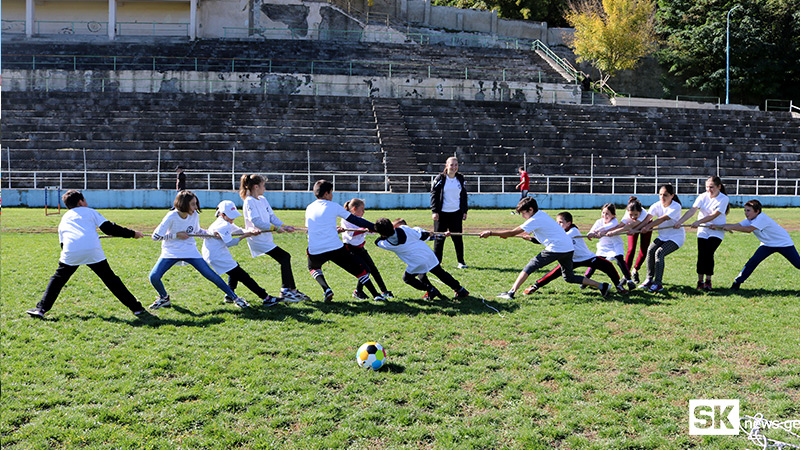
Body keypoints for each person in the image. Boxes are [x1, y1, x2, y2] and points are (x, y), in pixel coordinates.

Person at [25, 190, 150, 319]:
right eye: (85, 200)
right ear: (81, 202)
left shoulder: (64, 218)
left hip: (71, 251)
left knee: (57, 280)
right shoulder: (91, 211)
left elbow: (62, 244)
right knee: (111, 280)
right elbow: (109, 228)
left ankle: (41, 309)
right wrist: (132, 233)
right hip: (92, 250)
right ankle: (137, 309)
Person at [479, 197, 611, 299]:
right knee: (569, 277)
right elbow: (547, 235)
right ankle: (602, 286)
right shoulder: (541, 214)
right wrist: (530, 238)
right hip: (567, 249)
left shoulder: (534, 219)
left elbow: (513, 232)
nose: (523, 216)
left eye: (523, 213)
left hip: (557, 248)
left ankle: (511, 292)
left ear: (530, 210)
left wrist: (491, 233)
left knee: (529, 267)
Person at [148, 190, 250, 309]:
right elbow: (155, 237)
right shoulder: (171, 216)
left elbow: (196, 231)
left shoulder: (194, 215)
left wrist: (211, 234)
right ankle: (164, 298)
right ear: (183, 204)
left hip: (190, 251)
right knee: (154, 277)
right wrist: (176, 235)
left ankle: (235, 298)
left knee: (211, 275)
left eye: (196, 204)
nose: (196, 207)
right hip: (171, 252)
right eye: (193, 204)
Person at [305, 179, 383, 303]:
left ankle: (326, 289)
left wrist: (332, 229)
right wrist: (375, 227)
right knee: (359, 270)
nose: (332, 195)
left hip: (315, 249)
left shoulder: (309, 207)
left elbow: (312, 228)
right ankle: (376, 295)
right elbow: (355, 220)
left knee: (313, 267)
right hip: (334, 247)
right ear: (326, 194)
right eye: (331, 192)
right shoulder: (333, 205)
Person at [240, 174, 308, 302]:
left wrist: (284, 225)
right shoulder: (249, 201)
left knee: (285, 257)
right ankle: (286, 290)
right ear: (256, 186)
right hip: (258, 239)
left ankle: (291, 290)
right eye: (263, 185)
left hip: (266, 238)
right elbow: (256, 222)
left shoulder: (263, 199)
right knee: (284, 257)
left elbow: (272, 217)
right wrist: (276, 229)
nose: (264, 188)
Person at [202, 200, 283, 306]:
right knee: (243, 277)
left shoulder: (224, 222)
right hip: (217, 256)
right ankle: (265, 297)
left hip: (215, 253)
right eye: (231, 216)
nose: (233, 218)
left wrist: (250, 231)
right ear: (222, 214)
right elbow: (230, 243)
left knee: (235, 269)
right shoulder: (223, 225)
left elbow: (238, 230)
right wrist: (245, 236)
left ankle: (229, 295)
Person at [523, 211, 623, 295]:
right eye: (557, 222)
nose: (558, 225)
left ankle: (618, 286)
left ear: (569, 223)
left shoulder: (573, 230)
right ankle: (535, 286)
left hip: (586, 257)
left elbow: (558, 238)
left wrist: (533, 238)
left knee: (608, 265)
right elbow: (548, 240)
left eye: (561, 222)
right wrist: (532, 239)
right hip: (571, 259)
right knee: (554, 273)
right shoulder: (559, 232)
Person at [711, 199, 800, 290]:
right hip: (767, 244)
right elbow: (738, 225)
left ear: (757, 211)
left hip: (783, 243)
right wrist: (718, 227)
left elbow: (748, 229)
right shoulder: (749, 219)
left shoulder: (762, 217)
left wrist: (731, 227)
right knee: (752, 262)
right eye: (745, 210)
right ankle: (737, 283)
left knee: (798, 264)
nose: (746, 213)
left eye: (748, 210)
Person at [374, 218, 469, 299]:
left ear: (382, 234)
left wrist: (374, 231)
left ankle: (430, 289)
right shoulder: (405, 228)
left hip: (417, 263)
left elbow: (377, 241)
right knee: (440, 273)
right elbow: (422, 235)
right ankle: (460, 290)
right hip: (428, 254)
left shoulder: (387, 244)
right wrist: (438, 235)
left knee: (407, 279)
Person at [674, 176, 730, 290]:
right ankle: (700, 281)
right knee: (701, 254)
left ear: (719, 187)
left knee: (709, 252)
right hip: (703, 229)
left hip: (717, 229)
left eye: (712, 187)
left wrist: (699, 221)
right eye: (707, 187)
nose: (709, 190)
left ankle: (708, 280)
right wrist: (680, 222)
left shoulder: (723, 199)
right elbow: (692, 210)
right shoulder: (702, 196)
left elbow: (714, 215)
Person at [633, 184, 685, 293]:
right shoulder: (656, 205)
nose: (662, 197)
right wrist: (635, 229)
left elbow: (663, 219)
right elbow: (647, 219)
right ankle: (649, 280)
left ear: (672, 196)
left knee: (659, 253)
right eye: (660, 194)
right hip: (662, 236)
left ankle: (658, 284)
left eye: (665, 195)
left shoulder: (676, 206)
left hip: (676, 237)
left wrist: (648, 227)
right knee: (650, 250)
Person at [341, 198, 392, 300]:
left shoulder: (361, 220)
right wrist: (363, 229)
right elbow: (352, 233)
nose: (364, 212)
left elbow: (369, 230)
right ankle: (358, 292)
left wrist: (376, 230)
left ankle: (384, 291)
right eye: (362, 209)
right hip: (351, 249)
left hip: (360, 248)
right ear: (354, 209)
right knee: (365, 270)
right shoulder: (345, 220)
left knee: (373, 269)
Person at [584, 203, 635, 291]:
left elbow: (606, 227)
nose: (604, 215)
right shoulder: (598, 221)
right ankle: (585, 279)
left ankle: (629, 280)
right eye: (603, 213)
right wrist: (590, 233)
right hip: (603, 246)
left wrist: (597, 231)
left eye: (607, 214)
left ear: (613, 215)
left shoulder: (614, 221)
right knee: (595, 262)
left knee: (620, 260)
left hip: (615, 245)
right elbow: (592, 229)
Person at [431, 156, 469, 269]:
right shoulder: (440, 179)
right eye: (451, 165)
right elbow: (434, 195)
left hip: (456, 214)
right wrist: (434, 211)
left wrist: (464, 211)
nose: (454, 167)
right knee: (439, 239)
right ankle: (437, 263)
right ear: (446, 166)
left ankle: (461, 262)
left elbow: (464, 196)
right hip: (441, 214)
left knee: (457, 239)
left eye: (456, 165)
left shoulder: (460, 179)